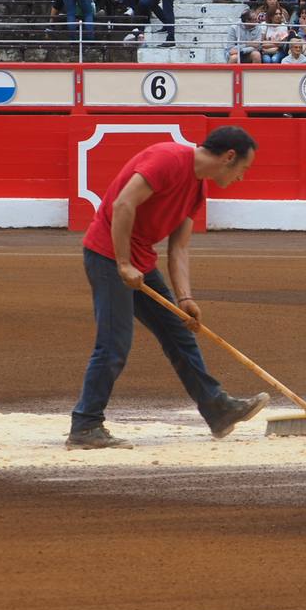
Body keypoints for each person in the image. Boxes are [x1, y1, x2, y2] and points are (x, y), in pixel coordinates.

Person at [68, 127, 268, 450]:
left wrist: (185, 298)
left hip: (140, 262)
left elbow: (179, 249)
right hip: (107, 255)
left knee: (178, 333)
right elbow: (123, 205)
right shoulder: (168, 158)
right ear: (229, 157)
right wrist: (122, 263)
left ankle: (217, 409)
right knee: (114, 343)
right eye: (244, 169)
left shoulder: (197, 190)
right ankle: (85, 425)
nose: (242, 177)